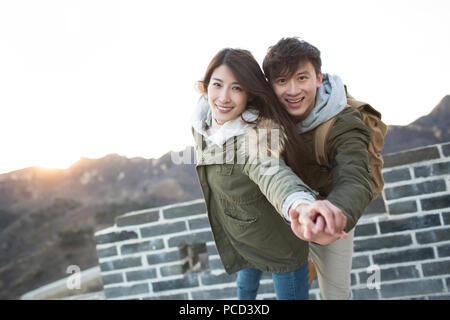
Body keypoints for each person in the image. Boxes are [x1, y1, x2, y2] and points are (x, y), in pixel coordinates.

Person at [191, 48, 347, 300]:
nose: (223, 97)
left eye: (237, 88)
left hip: (280, 244)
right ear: (206, 86)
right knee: (245, 292)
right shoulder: (202, 124)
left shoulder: (255, 136)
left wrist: (301, 205)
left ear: (249, 95)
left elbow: (272, 173)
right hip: (245, 237)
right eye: (217, 85)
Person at [261, 37, 374, 299]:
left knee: (336, 294)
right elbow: (267, 169)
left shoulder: (343, 119)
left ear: (318, 78)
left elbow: (355, 177)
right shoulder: (265, 122)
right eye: (281, 81)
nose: (292, 90)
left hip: (329, 213)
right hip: (286, 214)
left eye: (302, 78)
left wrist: (335, 213)